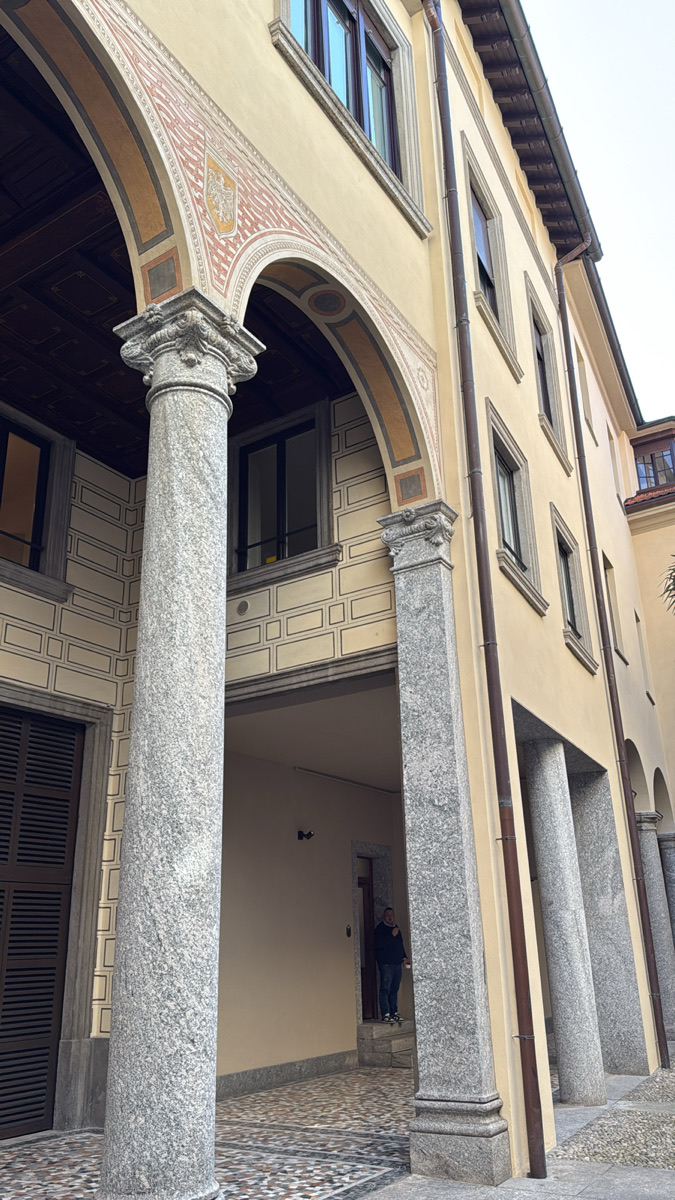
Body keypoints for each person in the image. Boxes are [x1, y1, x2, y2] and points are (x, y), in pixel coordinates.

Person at [374, 906, 409, 1023]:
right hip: (386, 964)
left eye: (392, 915)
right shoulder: (380, 929)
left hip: (397, 963)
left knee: (394, 989)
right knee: (385, 988)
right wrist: (391, 935)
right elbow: (378, 944)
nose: (390, 917)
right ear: (384, 916)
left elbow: (400, 944)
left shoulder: (396, 928)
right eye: (388, 915)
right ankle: (385, 1013)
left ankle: (394, 1012)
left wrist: (404, 957)